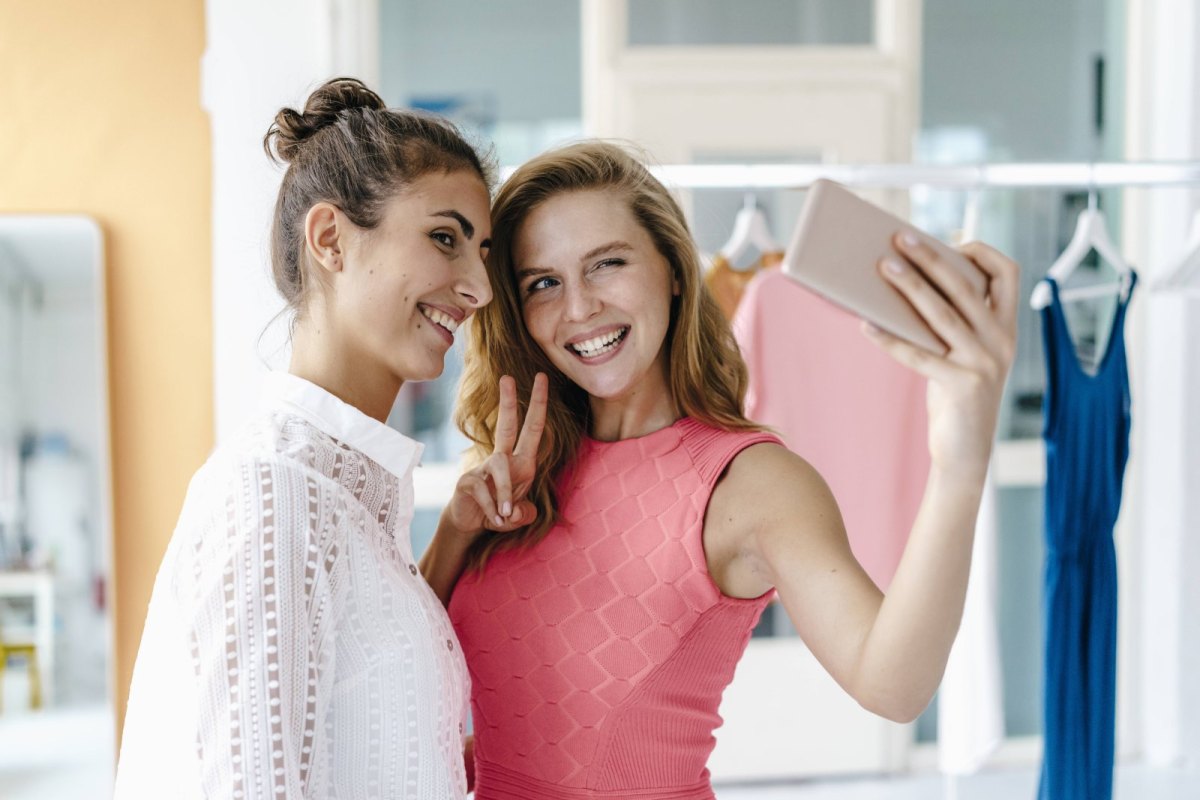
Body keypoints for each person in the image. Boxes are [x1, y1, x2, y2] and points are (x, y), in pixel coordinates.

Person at [424, 141, 1020, 800]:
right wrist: (457, 528)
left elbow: (894, 686)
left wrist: (960, 464)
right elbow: (439, 673)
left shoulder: (751, 482)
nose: (578, 308)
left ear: (674, 270)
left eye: (608, 264)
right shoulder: (526, 465)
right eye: (544, 282)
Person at [115, 77, 500, 800]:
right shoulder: (274, 494)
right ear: (329, 239)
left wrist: (453, 541)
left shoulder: (344, 497)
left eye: (481, 250)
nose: (478, 286)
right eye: (445, 238)